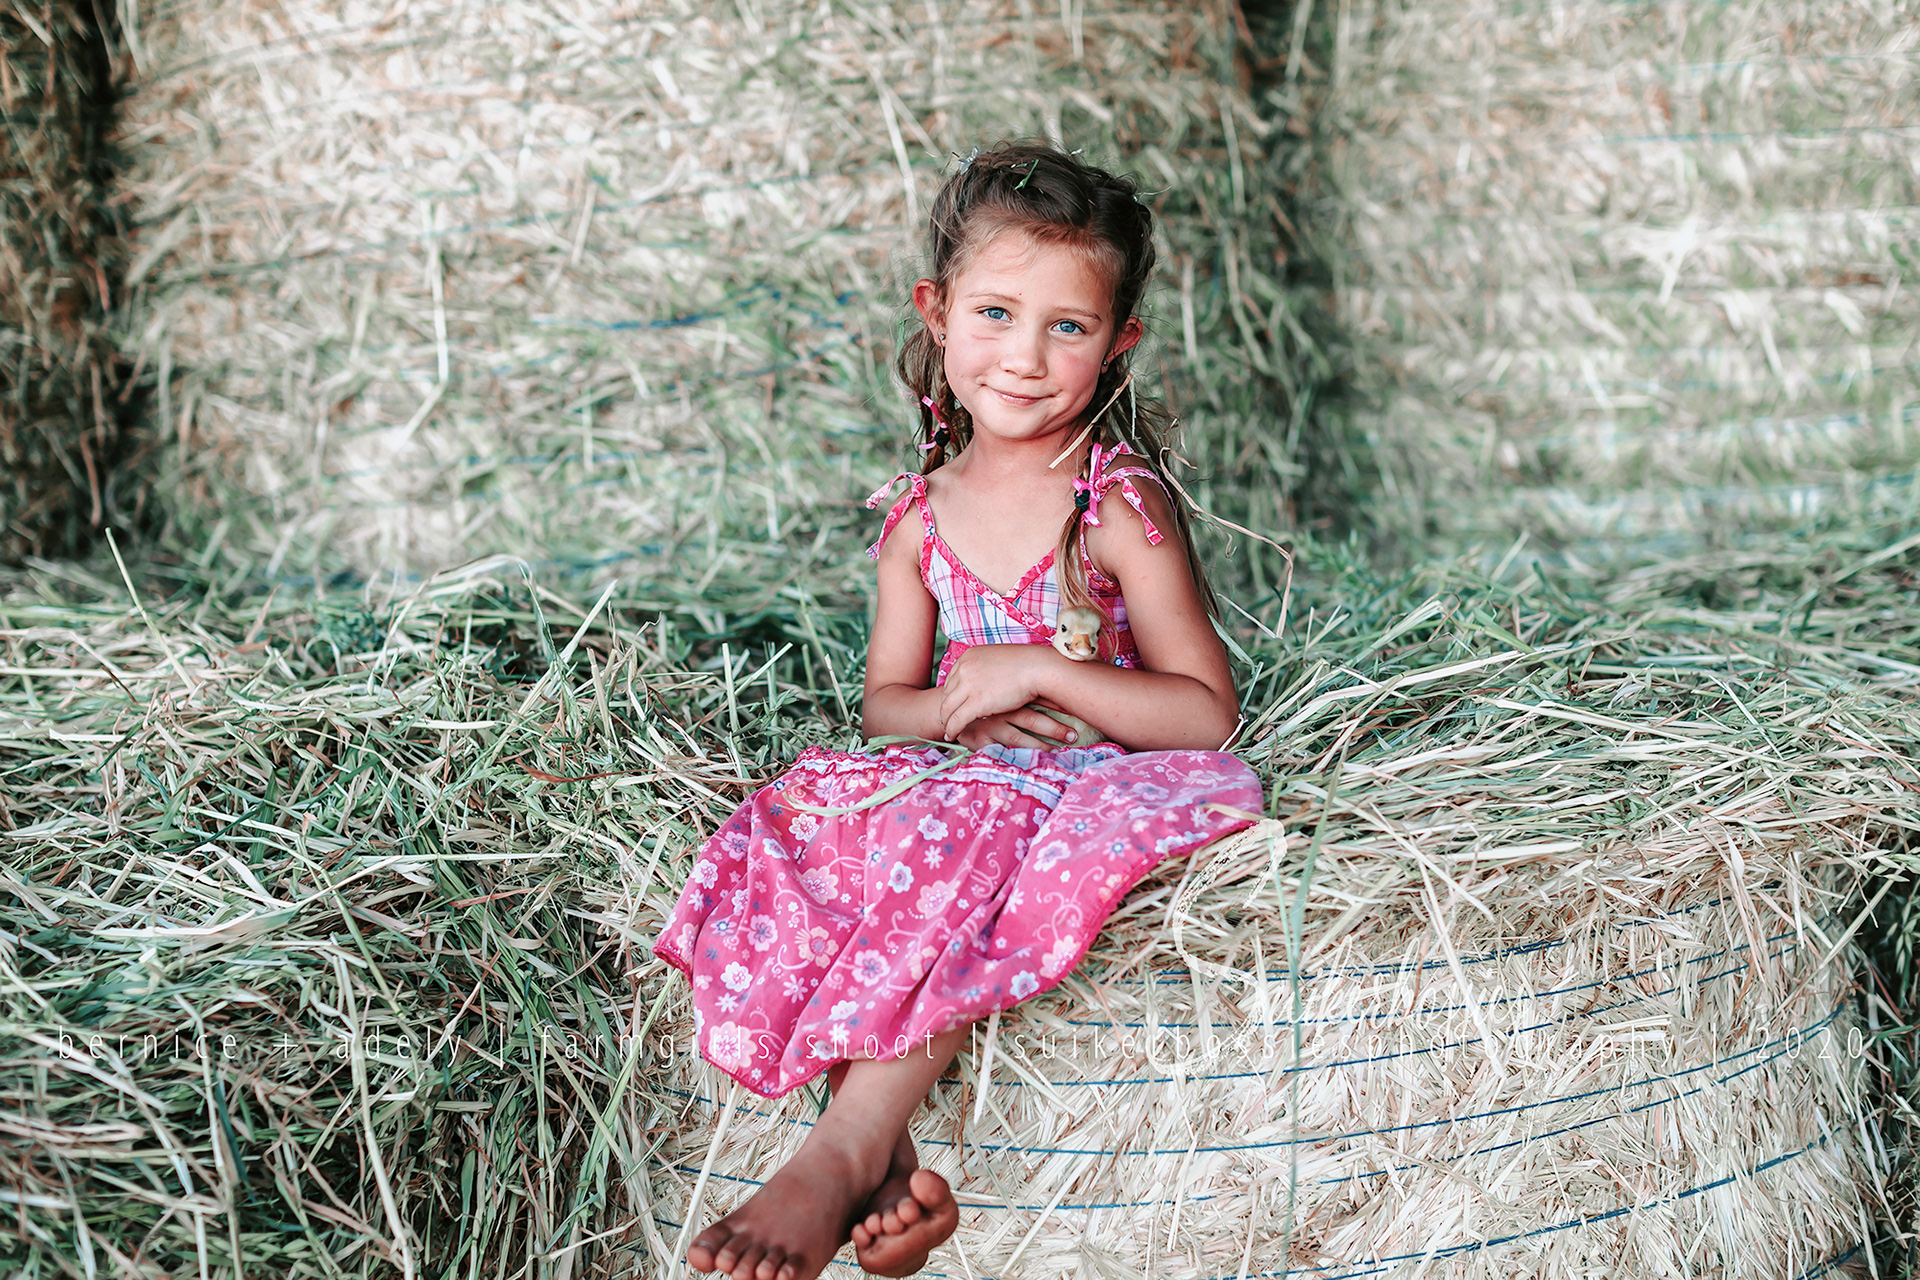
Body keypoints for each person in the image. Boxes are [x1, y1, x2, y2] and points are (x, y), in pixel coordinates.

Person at [653, 141, 1261, 1280]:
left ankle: (833, 1161)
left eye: (1067, 328)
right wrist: (950, 718)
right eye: (994, 312)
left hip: (1091, 779)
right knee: (821, 842)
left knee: (963, 840)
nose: (1024, 359)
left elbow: (1205, 712)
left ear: (1119, 340)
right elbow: (888, 704)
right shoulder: (917, 522)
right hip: (959, 772)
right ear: (937, 313)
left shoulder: (1115, 508)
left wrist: (1043, 668)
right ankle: (893, 1177)